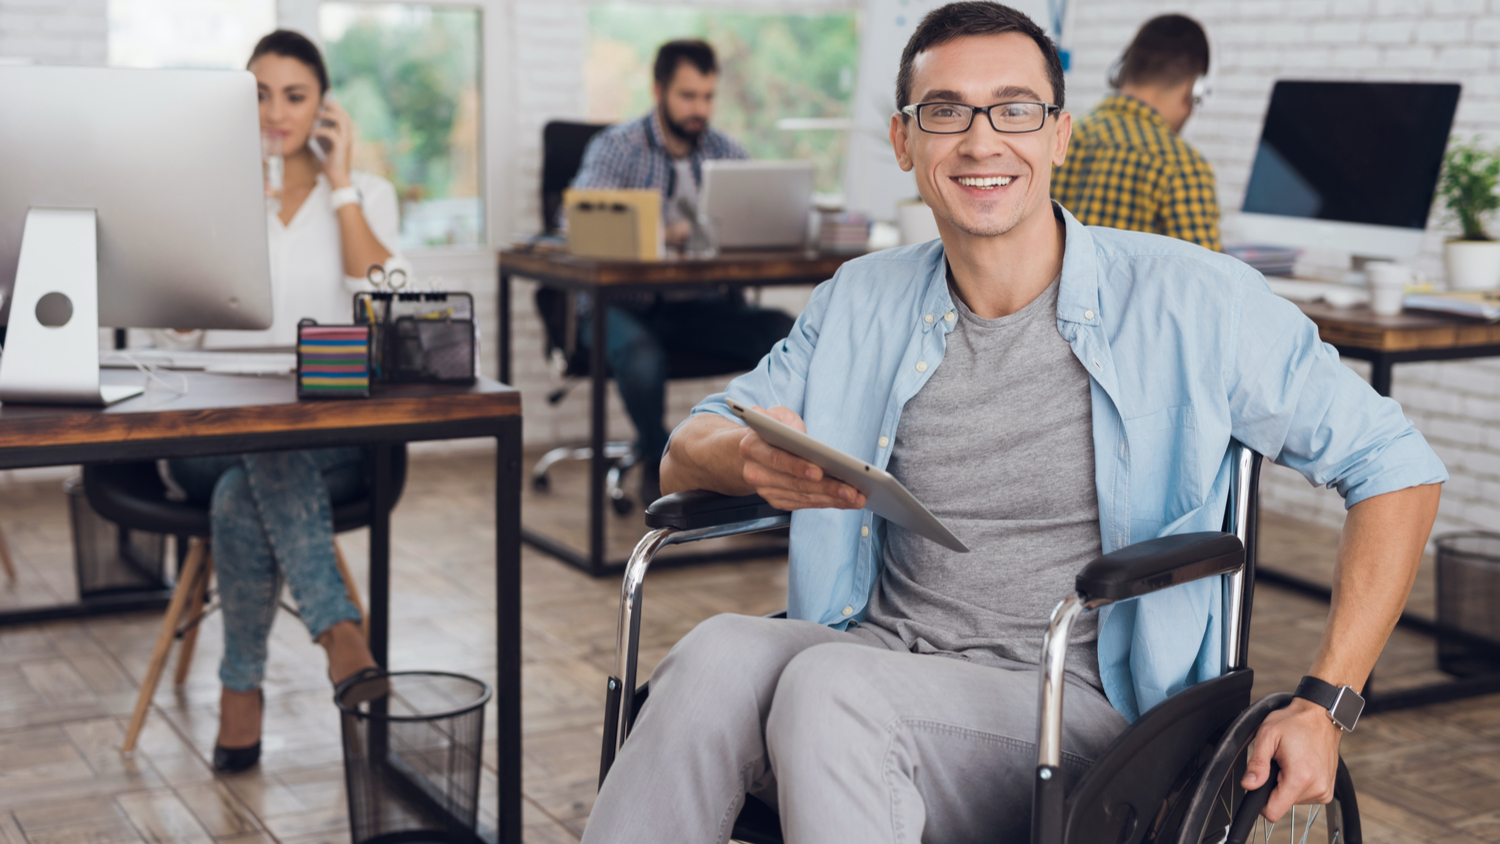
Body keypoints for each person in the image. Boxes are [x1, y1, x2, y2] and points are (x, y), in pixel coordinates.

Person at [582, 3, 1446, 842]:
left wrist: (1328, 701)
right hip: (872, 651)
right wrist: (744, 459)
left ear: (1060, 135)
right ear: (904, 142)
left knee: (826, 687)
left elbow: (1396, 466)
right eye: (946, 111)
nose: (982, 140)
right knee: (711, 655)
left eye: (1016, 110)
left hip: (1078, 709)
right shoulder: (859, 300)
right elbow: (684, 449)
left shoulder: (1196, 301)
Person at [165, 29, 402, 773]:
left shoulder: (367, 196)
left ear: (324, 108)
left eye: (294, 95)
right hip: (208, 436)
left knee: (252, 482)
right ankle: (341, 634)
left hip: (326, 440)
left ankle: (241, 694)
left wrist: (341, 187)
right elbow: (173, 330)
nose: (275, 111)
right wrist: (229, 213)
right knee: (255, 453)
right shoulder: (207, 188)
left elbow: (383, 303)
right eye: (258, 94)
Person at [569, 39, 795, 504]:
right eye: (688, 96)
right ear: (659, 90)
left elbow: (754, 218)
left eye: (708, 97)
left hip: (697, 305)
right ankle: (662, 462)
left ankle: (774, 466)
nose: (699, 109)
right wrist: (667, 232)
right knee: (640, 354)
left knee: (781, 333)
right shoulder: (618, 147)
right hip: (619, 307)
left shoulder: (725, 151)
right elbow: (579, 221)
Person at [1052, 14, 1221, 250]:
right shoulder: (1181, 167)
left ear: (1120, 71)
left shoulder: (1058, 140)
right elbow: (1209, 280)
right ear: (1195, 89)